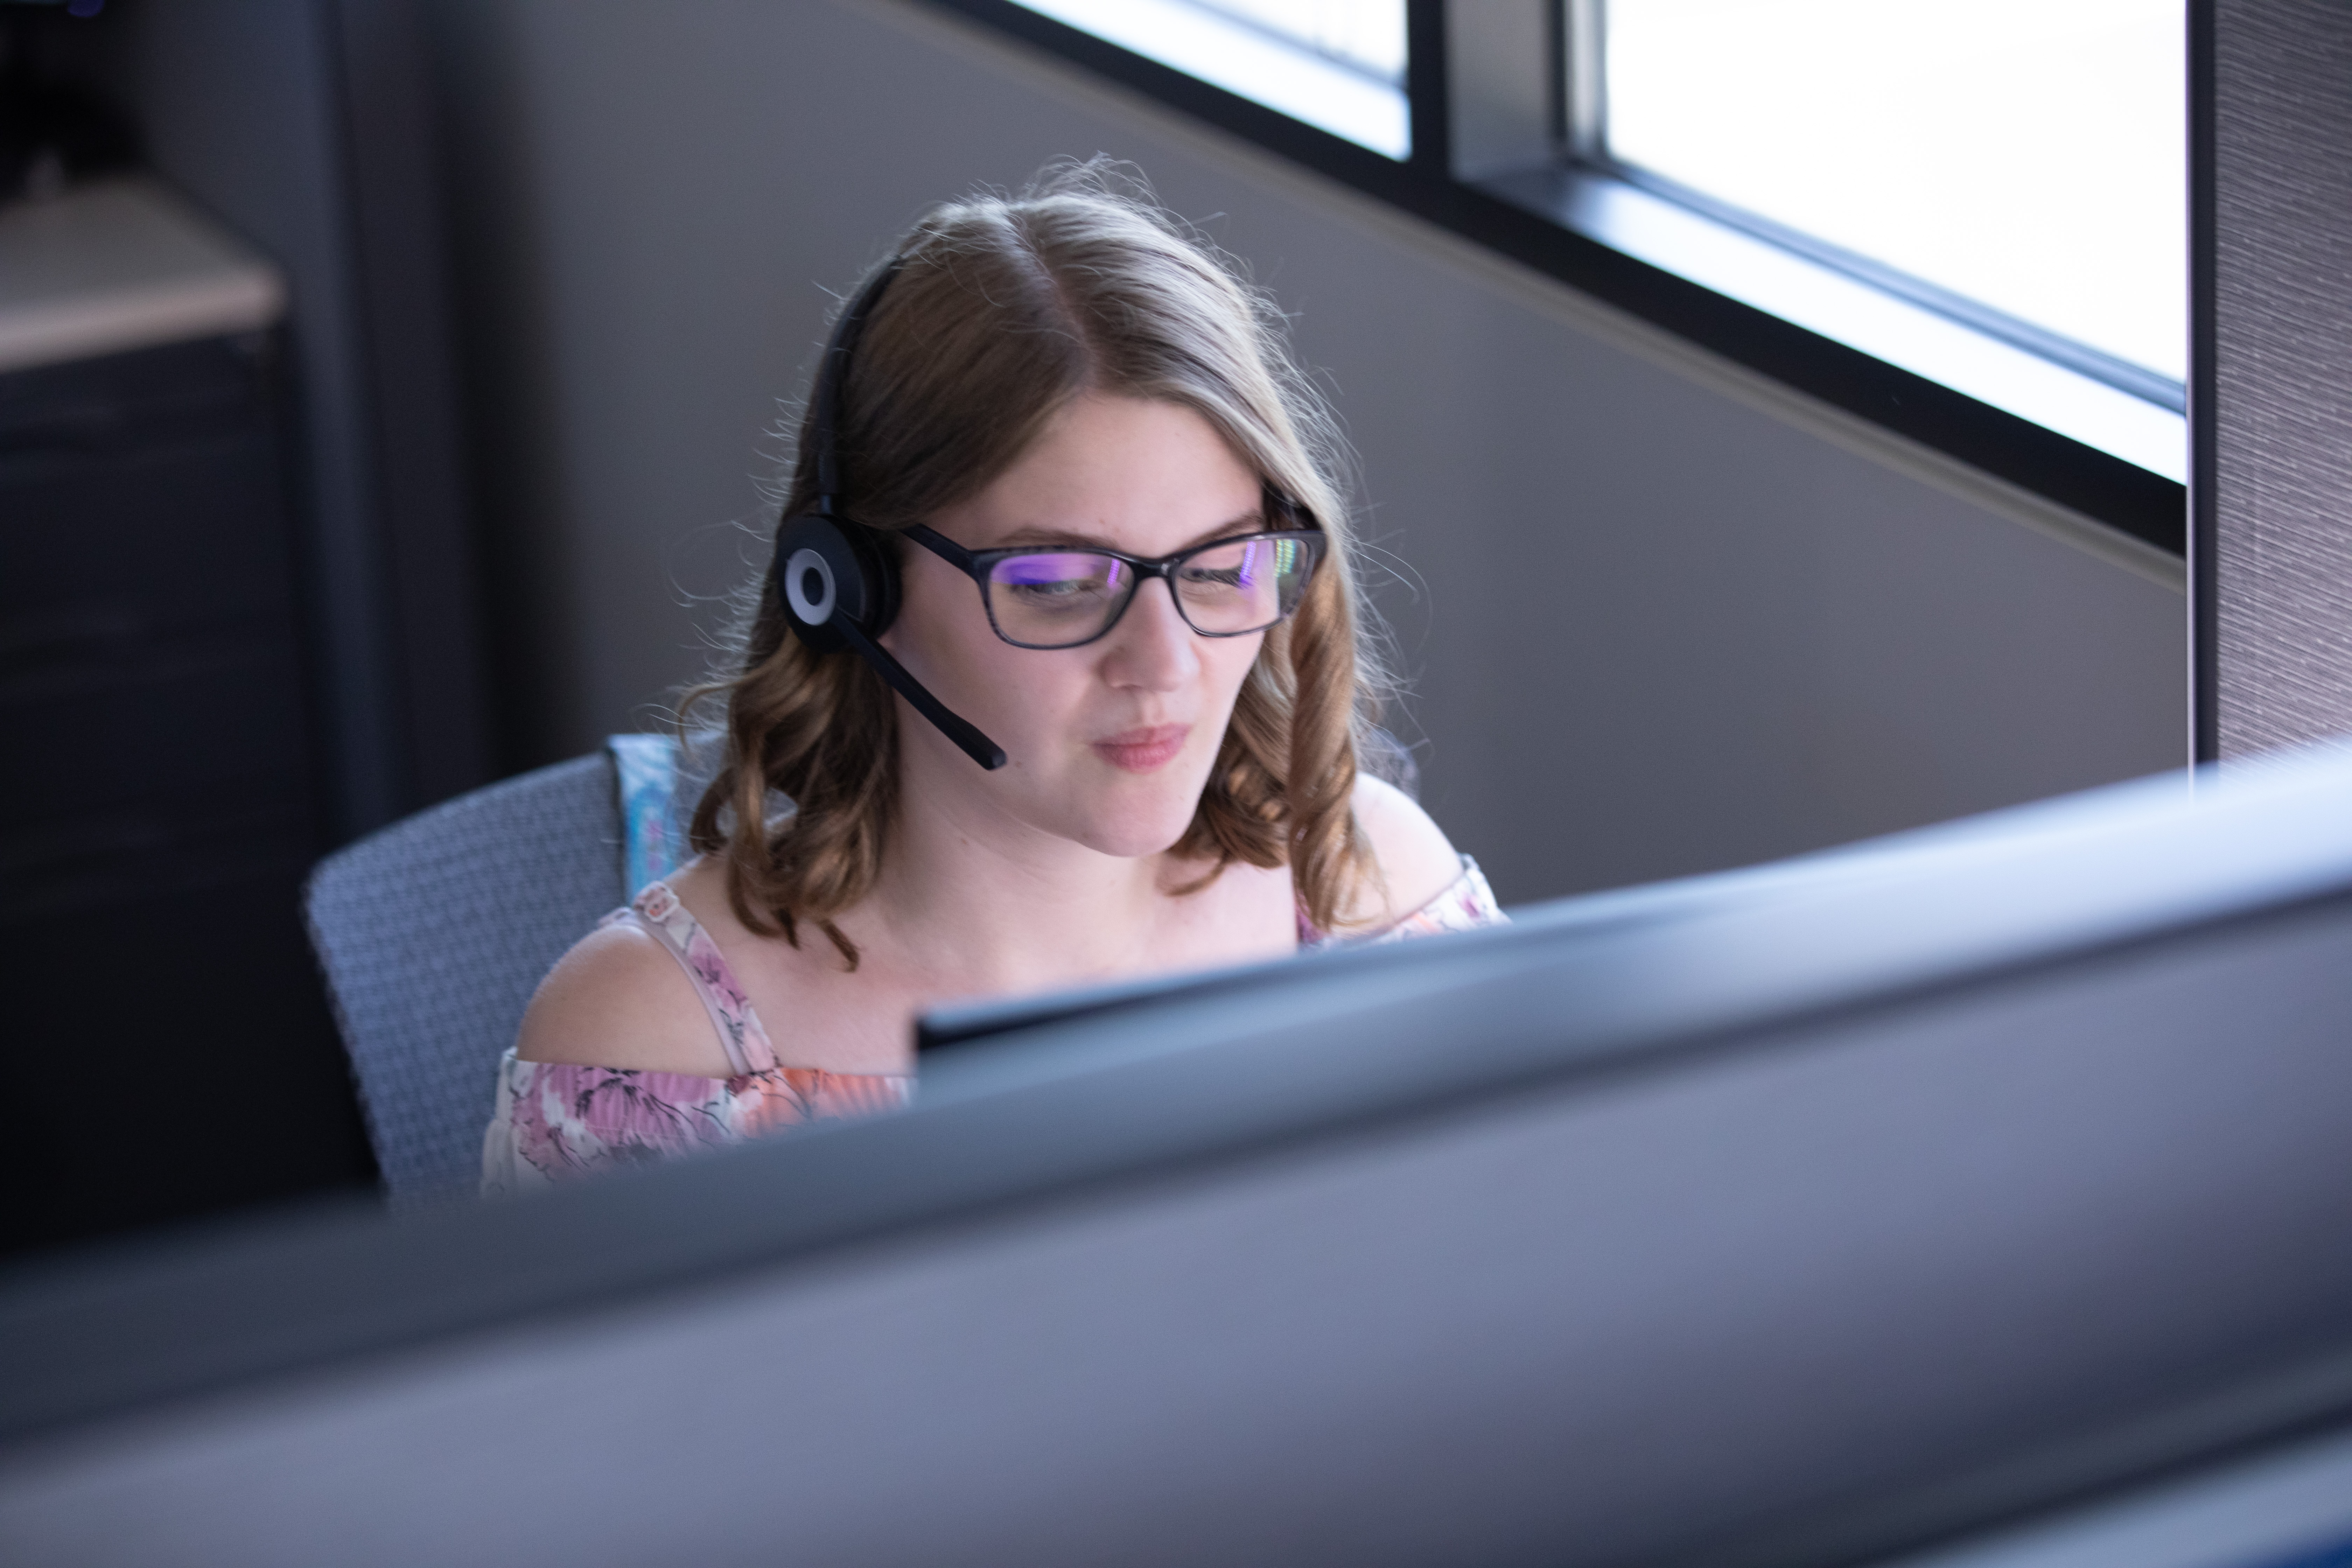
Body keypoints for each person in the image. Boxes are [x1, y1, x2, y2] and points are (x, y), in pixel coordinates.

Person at [484, 164, 1504, 1194]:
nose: (1166, 666)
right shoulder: (659, 1047)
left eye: (1221, 567)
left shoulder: (1367, 888)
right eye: (1061, 584)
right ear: (850, 589)